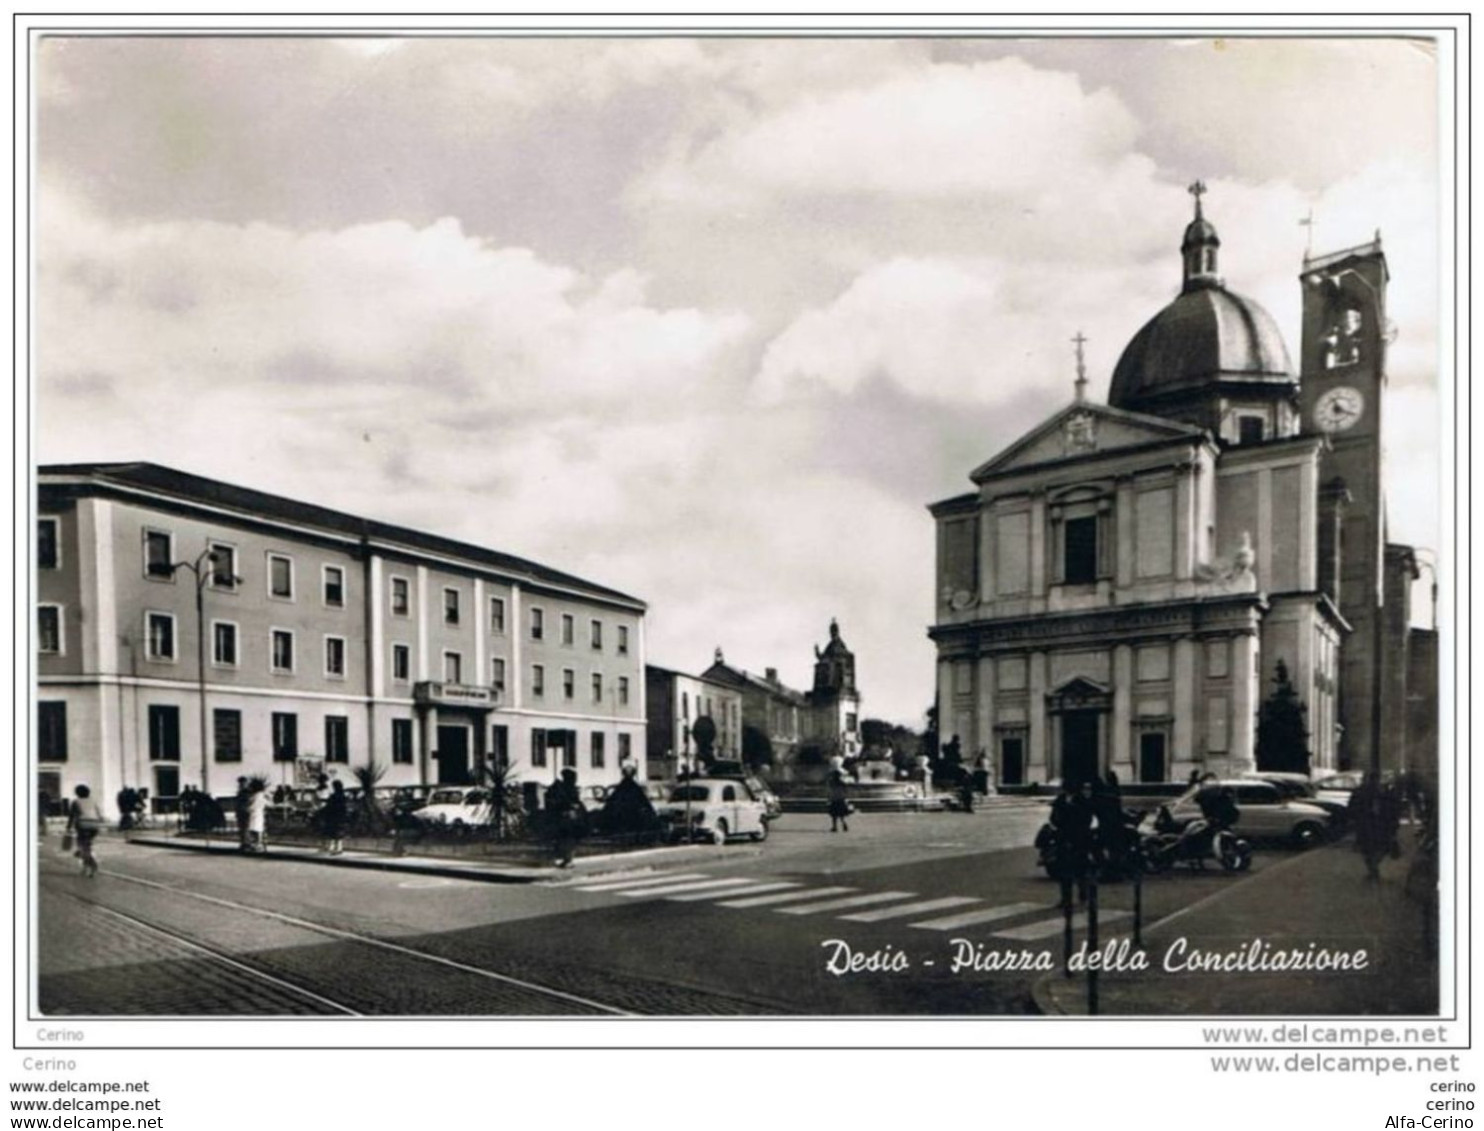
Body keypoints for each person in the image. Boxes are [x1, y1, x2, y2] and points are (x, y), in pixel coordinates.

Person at [1049, 778, 1096, 909]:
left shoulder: (1082, 801)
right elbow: (1053, 817)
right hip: (1063, 839)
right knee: (1064, 870)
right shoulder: (1060, 800)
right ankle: (1066, 898)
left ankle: (1083, 893)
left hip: (1079, 839)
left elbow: (1087, 819)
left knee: (1080, 869)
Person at [1349, 770, 1398, 882]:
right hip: (1377, 825)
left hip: (1366, 825)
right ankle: (1374, 869)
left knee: (1367, 849)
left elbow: (1352, 807)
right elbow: (1391, 809)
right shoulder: (1383, 792)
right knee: (1379, 847)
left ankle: (1373, 869)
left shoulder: (1361, 791)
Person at [544, 768, 585, 867]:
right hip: (567, 817)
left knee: (566, 839)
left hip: (567, 818)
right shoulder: (566, 789)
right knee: (568, 839)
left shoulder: (564, 788)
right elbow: (565, 802)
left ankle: (565, 859)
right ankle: (567, 859)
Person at [66, 784, 106, 878]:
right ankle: (85, 866)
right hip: (94, 826)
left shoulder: (75, 802)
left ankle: (92, 864)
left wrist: (68, 827)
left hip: (82, 825)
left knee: (83, 846)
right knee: (87, 846)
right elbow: (100, 815)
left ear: (77, 793)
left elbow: (72, 816)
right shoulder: (94, 801)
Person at [322, 779, 349, 855]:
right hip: (341, 816)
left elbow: (329, 806)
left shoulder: (333, 796)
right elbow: (344, 807)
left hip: (333, 816)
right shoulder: (343, 796)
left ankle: (333, 848)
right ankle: (339, 848)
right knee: (339, 832)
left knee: (333, 832)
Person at [826, 765, 852, 832]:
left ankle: (835, 827)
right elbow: (846, 790)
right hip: (841, 799)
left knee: (834, 815)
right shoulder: (842, 783)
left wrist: (829, 798)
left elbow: (830, 791)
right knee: (841, 814)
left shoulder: (832, 782)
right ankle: (844, 825)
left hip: (835, 799)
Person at [246, 780, 269, 854]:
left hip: (256, 813)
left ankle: (257, 844)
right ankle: (258, 844)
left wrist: (248, 808)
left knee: (256, 829)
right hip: (259, 814)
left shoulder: (257, 796)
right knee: (258, 829)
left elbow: (254, 805)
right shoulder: (262, 795)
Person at [234, 777, 251, 852]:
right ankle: (243, 843)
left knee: (245, 828)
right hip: (240, 811)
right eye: (240, 783)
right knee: (242, 828)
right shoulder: (240, 791)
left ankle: (247, 843)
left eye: (242, 783)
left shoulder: (247, 792)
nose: (241, 784)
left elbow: (247, 801)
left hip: (245, 812)